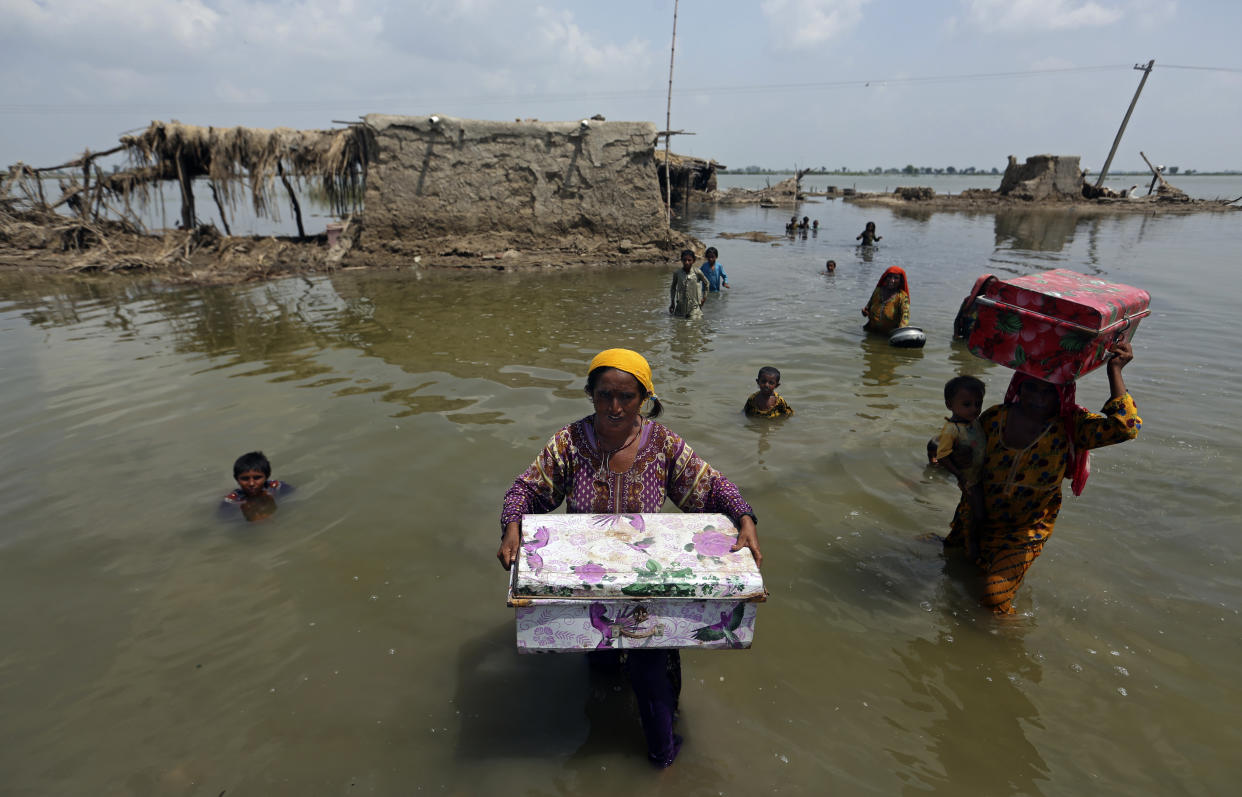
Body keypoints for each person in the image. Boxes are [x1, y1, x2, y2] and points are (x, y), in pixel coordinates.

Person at [498, 348, 761, 768]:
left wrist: (744, 517)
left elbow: (710, 486)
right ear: (590, 394)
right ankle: (602, 724)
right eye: (604, 396)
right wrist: (512, 524)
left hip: (647, 580)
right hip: (587, 579)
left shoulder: (663, 445)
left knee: (651, 672)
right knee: (599, 661)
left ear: (644, 398)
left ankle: (663, 761)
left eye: (627, 397)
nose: (615, 408)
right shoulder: (568, 443)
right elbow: (527, 490)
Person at [942, 343, 1141, 614]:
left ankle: (1008, 646)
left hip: (1024, 531)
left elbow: (1124, 427)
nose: (1037, 397)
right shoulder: (995, 417)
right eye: (1030, 387)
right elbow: (963, 451)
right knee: (950, 567)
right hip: (977, 518)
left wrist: (1114, 369)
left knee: (993, 600)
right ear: (1019, 387)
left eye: (1048, 391)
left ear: (1061, 394)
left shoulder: (1072, 426)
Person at [931, 376, 987, 560]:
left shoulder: (972, 422)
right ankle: (972, 544)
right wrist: (958, 475)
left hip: (980, 473)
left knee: (974, 510)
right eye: (967, 404)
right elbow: (943, 455)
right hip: (970, 478)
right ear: (949, 405)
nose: (974, 409)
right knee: (978, 514)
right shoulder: (951, 429)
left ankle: (964, 536)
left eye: (978, 404)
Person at [222, 451, 292, 521]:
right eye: (245, 479)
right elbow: (225, 518)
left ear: (267, 476)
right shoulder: (232, 500)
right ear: (236, 479)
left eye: (257, 477)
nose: (251, 483)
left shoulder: (276, 487)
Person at [861, 266, 910, 334]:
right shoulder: (877, 291)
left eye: (896, 278)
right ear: (885, 278)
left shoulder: (902, 296)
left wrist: (900, 332)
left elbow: (905, 316)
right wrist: (865, 312)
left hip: (889, 335)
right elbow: (867, 308)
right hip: (871, 331)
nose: (891, 280)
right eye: (889, 277)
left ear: (900, 281)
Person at [669, 249, 709, 319]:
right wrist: (672, 302)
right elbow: (673, 288)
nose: (687, 262)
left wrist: (704, 298)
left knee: (695, 325)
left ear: (693, 261)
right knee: (679, 324)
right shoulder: (677, 273)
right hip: (680, 306)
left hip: (694, 307)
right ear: (681, 260)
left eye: (689, 260)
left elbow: (707, 283)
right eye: (684, 260)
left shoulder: (697, 272)